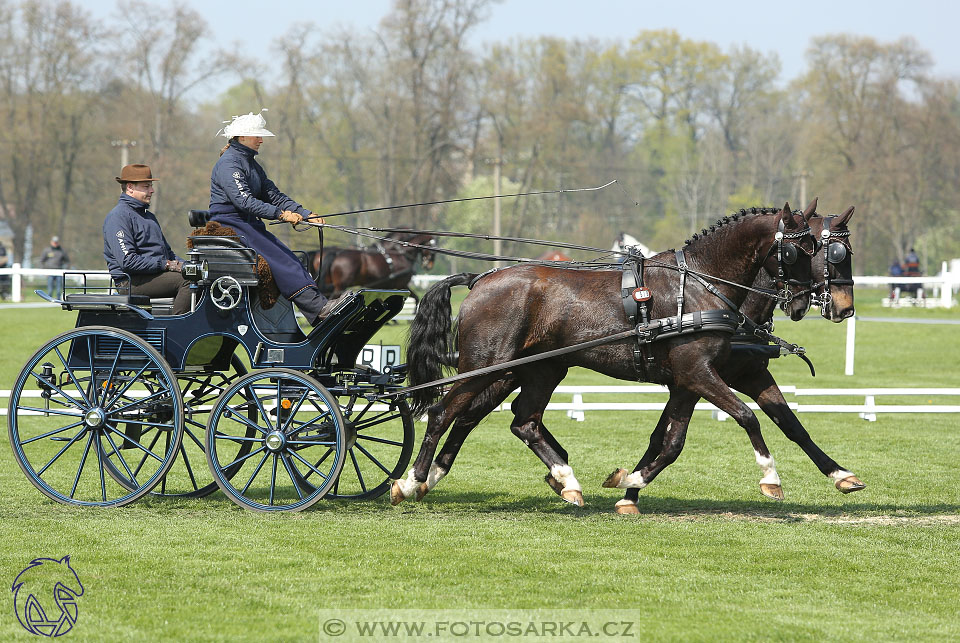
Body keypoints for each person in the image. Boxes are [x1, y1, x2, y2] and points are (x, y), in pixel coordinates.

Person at [209, 109, 336, 325]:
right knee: (280, 260)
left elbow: (273, 195)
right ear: (242, 137)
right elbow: (244, 201)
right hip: (231, 223)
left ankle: (319, 306)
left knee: (289, 256)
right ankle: (318, 309)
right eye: (257, 135)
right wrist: (281, 214)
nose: (261, 140)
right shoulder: (229, 164)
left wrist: (305, 214)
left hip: (248, 224)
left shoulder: (251, 164)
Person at [102, 164, 192, 314]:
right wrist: (166, 265)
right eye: (146, 186)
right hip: (130, 281)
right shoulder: (118, 217)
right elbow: (128, 261)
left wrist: (189, 266)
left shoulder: (149, 217)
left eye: (151, 186)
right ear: (130, 187)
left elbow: (167, 253)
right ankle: (177, 331)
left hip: (153, 275)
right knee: (188, 281)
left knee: (197, 277)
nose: (152, 190)